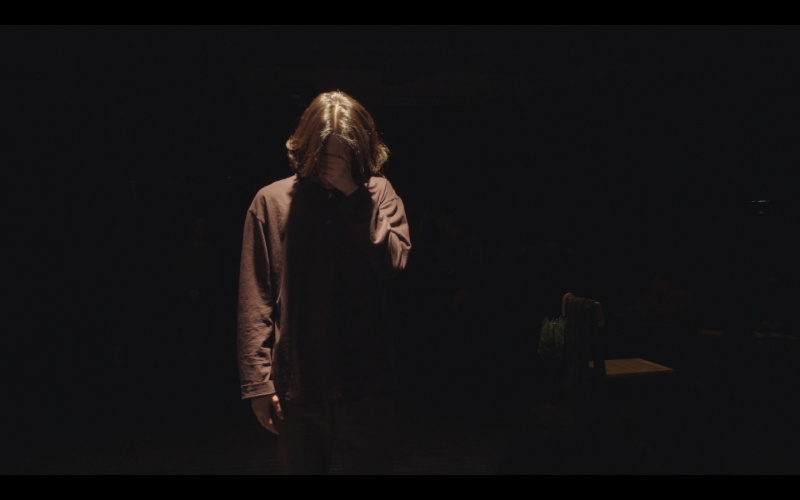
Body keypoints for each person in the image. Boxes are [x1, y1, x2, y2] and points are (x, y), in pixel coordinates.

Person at [237, 91, 411, 474]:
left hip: (365, 381)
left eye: (344, 157)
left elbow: (393, 264)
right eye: (327, 156)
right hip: (299, 383)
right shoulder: (271, 201)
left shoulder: (377, 193)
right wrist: (258, 383)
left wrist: (354, 196)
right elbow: (256, 298)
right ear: (309, 150)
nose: (334, 166)